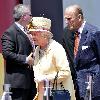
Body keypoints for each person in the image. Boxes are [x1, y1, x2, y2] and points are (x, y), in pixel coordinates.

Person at [28, 17, 76, 100]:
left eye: (34, 34)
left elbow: (65, 72)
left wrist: (45, 78)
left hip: (58, 95)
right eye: (31, 34)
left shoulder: (56, 48)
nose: (32, 37)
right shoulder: (37, 50)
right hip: (43, 94)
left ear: (45, 35)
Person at [62, 4, 100, 100]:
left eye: (69, 19)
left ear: (79, 17)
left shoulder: (93, 32)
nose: (66, 22)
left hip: (92, 87)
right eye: (65, 19)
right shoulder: (73, 34)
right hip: (78, 87)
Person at [1, 4, 37, 100]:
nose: (31, 17)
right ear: (23, 16)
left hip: (30, 82)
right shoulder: (10, 33)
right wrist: (25, 59)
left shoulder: (27, 31)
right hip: (18, 84)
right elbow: (7, 53)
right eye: (30, 15)